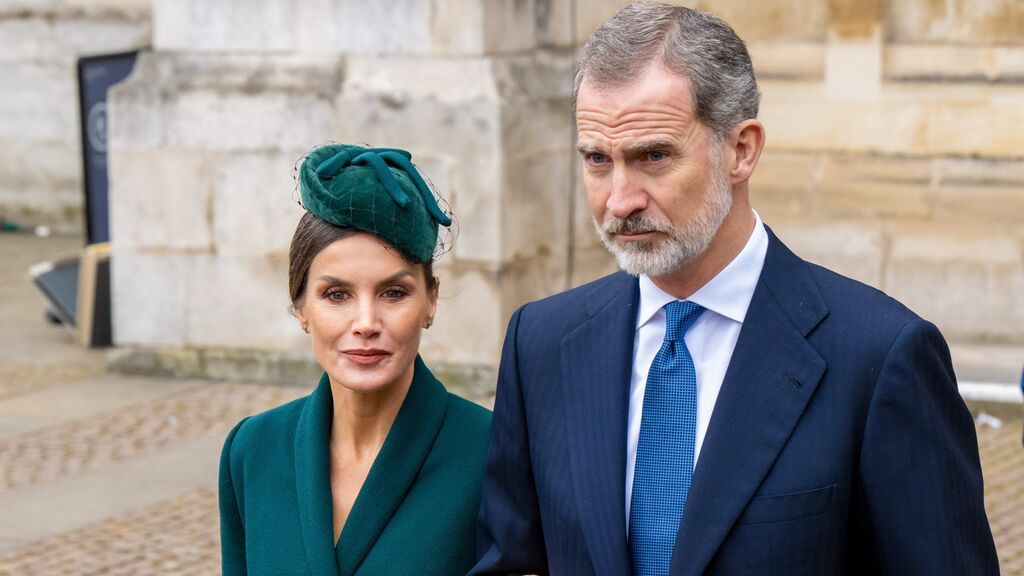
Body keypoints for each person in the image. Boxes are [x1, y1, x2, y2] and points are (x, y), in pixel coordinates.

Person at [472, 3, 998, 575]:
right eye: (598, 160)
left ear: (742, 149)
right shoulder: (542, 343)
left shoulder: (880, 355)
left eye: (653, 156)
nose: (619, 199)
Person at [218, 144, 491, 575]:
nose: (365, 322)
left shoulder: (492, 453)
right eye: (336, 295)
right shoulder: (253, 450)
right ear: (302, 308)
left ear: (430, 301)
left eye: (393, 293)